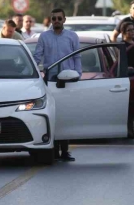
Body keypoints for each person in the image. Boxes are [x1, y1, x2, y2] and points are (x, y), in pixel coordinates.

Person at [33, 8, 81, 162]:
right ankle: (52, 150)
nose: (57, 21)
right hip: (50, 81)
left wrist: (78, 75)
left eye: (59, 18)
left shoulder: (72, 36)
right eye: (54, 19)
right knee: (52, 114)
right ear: (51, 20)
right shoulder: (44, 36)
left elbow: (77, 57)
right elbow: (37, 57)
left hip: (68, 80)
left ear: (64, 20)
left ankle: (65, 151)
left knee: (65, 114)